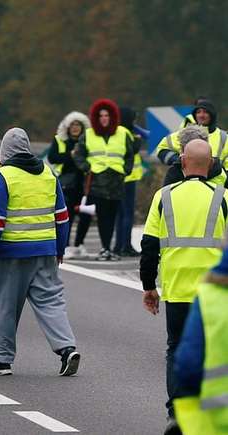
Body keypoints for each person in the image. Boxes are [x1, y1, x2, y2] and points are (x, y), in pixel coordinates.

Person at [139, 139, 228, 433]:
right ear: (212, 161)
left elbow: (149, 245)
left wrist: (149, 286)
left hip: (177, 289)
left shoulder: (164, 196)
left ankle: (176, 411)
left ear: (182, 161)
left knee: (176, 349)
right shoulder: (223, 197)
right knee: (218, 352)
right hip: (216, 293)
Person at [0, 127, 80, 376]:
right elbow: (62, 217)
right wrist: (59, 249)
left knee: (5, 305)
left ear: (4, 152)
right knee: (51, 303)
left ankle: (1, 361)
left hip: (11, 253)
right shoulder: (48, 173)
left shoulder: (3, 176)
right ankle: (67, 349)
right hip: (45, 252)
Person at [173, 245, 228, 435]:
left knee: (173, 347)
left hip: (218, 421)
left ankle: (172, 415)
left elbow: (189, 367)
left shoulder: (211, 296)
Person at [73, 98, 134, 261]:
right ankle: (105, 248)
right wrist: (87, 167)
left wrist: (126, 171)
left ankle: (107, 248)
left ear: (112, 116)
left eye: (107, 115)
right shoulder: (88, 134)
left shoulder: (122, 133)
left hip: (116, 181)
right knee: (102, 216)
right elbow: (78, 154)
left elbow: (130, 154)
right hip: (97, 181)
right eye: (101, 116)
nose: (104, 118)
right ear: (96, 117)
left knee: (113, 216)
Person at [47, 111, 92, 259]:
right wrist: (71, 155)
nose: (75, 128)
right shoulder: (60, 140)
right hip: (66, 184)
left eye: (78, 125)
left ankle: (79, 245)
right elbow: (52, 158)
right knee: (67, 216)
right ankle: (65, 246)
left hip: (85, 184)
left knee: (86, 215)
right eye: (72, 125)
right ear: (67, 127)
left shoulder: (88, 142)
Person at [156, 99, 227, 186]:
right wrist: (177, 160)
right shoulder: (187, 133)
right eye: (198, 112)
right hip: (185, 184)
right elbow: (162, 148)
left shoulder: (224, 137)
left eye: (205, 112)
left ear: (212, 115)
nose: (201, 115)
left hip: (216, 185)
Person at [113, 107, 145, 257]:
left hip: (118, 177)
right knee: (127, 213)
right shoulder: (128, 133)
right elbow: (134, 150)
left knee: (119, 213)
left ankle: (118, 245)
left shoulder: (115, 132)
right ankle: (126, 245)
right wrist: (137, 139)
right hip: (129, 177)